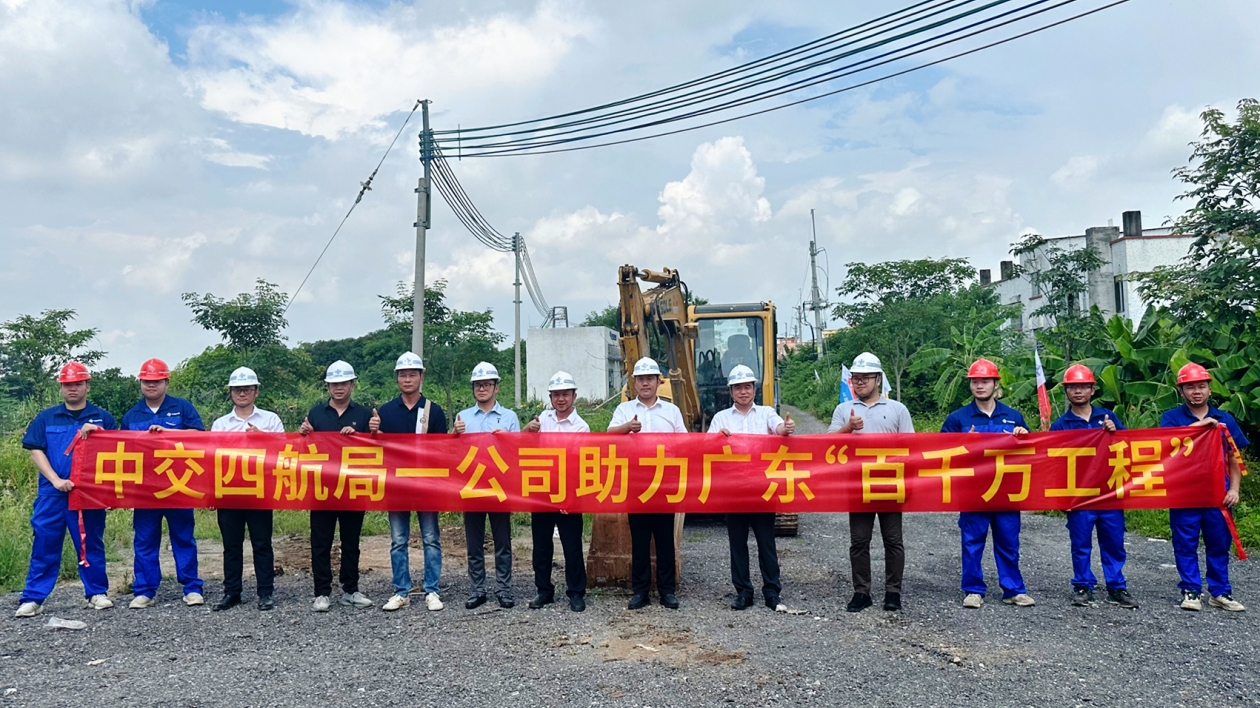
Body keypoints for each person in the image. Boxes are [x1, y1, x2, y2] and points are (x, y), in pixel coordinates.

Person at [14, 363, 116, 618]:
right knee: (45, 543)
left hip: (88, 494)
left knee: (90, 542)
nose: (73, 388)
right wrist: (56, 480)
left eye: (78, 384)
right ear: (61, 387)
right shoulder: (46, 417)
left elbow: (117, 453)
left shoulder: (103, 417)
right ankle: (34, 597)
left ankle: (96, 592)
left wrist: (108, 492)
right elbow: (36, 450)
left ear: (87, 386)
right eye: (68, 385)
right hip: (52, 494)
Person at [941, 358, 1034, 609]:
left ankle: (1013, 589)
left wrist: (1024, 437)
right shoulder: (958, 418)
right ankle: (973, 590)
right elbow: (940, 453)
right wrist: (963, 443)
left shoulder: (1013, 417)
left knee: (1008, 542)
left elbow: (1031, 453)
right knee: (972, 541)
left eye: (985, 381)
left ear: (995, 383)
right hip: (973, 492)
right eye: (975, 382)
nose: (979, 386)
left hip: (1005, 491)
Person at [828, 352, 914, 613]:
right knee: (859, 541)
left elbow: (911, 447)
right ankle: (861, 591)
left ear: (878, 379)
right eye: (856, 378)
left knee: (893, 540)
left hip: (890, 484)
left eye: (866, 377)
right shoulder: (844, 409)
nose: (860, 382)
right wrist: (848, 428)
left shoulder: (897, 409)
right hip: (858, 485)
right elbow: (827, 445)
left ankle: (893, 592)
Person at [1160, 362, 1249, 612]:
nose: (1196, 391)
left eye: (1201, 386)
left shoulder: (1224, 419)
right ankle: (1191, 590)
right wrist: (1199, 427)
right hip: (1184, 492)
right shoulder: (1172, 418)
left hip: (1217, 493)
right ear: (1182, 391)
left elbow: (1234, 457)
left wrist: (1234, 489)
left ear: (1210, 389)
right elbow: (1164, 447)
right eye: (1190, 387)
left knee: (1219, 543)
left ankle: (1220, 592)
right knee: (1185, 543)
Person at [1049, 364, 1138, 610]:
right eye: (1073, 387)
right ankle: (1082, 585)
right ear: (1066, 391)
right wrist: (1061, 499)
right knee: (1080, 543)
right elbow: (1054, 465)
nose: (1078, 391)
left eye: (1083, 386)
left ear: (1092, 389)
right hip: (1079, 497)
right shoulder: (1060, 425)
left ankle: (1116, 586)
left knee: (1113, 542)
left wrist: (1115, 432)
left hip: (1109, 493)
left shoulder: (1108, 418)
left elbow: (1129, 449)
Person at [122, 357, 205, 609]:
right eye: (146, 381)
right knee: (145, 540)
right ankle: (145, 590)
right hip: (145, 489)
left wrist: (170, 433)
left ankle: (191, 587)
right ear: (140, 383)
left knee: (183, 537)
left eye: (156, 381)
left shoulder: (182, 408)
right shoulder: (131, 415)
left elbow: (200, 437)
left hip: (179, 485)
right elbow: (121, 452)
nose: (151, 385)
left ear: (166, 381)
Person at [709, 364, 793, 611]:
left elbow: (779, 429)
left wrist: (785, 430)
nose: (743, 392)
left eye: (747, 386)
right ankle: (743, 591)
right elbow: (705, 447)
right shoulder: (721, 418)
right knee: (737, 543)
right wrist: (716, 438)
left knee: (766, 541)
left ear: (754, 388)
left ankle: (772, 591)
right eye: (738, 388)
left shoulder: (766, 413)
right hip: (733, 490)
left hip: (762, 488)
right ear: (731, 391)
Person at [609, 357, 687, 610]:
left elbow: (685, 442)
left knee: (665, 539)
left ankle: (667, 591)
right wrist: (627, 428)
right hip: (637, 482)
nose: (645, 384)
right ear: (634, 383)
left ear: (657, 381)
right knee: (639, 540)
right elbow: (608, 435)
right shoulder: (624, 410)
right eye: (640, 379)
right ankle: (640, 591)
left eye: (649, 379)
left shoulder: (671, 411)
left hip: (664, 482)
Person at [375, 352, 448, 613]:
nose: (408, 379)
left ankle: (432, 590)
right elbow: (376, 448)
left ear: (421, 377)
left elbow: (443, 450)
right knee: (398, 540)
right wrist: (373, 432)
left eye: (412, 374)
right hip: (396, 486)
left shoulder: (433, 410)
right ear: (397, 378)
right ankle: (401, 590)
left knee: (430, 538)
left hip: (426, 485)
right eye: (403, 375)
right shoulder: (385, 412)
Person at [299, 360, 374, 612]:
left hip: (353, 487)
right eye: (334, 384)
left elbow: (377, 450)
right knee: (320, 541)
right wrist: (303, 434)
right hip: (322, 488)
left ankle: (350, 589)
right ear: (328, 386)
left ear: (352, 384)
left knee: (351, 541)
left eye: (343, 383)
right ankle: (321, 592)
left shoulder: (364, 415)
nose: (339, 388)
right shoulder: (316, 413)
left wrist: (365, 435)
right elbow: (305, 449)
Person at [209, 367, 284, 612]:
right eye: (237, 390)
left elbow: (285, 449)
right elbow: (211, 459)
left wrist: (262, 436)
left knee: (262, 543)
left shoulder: (270, 420)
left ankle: (265, 592)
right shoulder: (220, 424)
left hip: (261, 490)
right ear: (230, 393)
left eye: (247, 389)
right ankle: (232, 592)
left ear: (256, 391)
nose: (242, 393)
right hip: (229, 490)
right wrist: (212, 491)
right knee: (231, 545)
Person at [452, 362, 520, 609]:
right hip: (472, 487)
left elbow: (518, 455)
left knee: (502, 542)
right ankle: (477, 589)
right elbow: (453, 454)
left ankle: (504, 589)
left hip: (499, 488)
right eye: (478, 385)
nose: (482, 389)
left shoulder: (509, 417)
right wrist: (454, 434)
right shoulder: (463, 417)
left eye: (487, 384)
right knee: (474, 543)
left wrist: (508, 439)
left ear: (496, 388)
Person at [523, 371, 590, 612]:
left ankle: (576, 592)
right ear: (550, 397)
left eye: (565, 394)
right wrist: (526, 429)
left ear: (574, 396)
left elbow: (579, 463)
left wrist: (570, 496)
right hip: (541, 489)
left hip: (569, 492)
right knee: (541, 544)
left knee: (571, 545)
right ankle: (544, 590)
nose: (561, 399)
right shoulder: (542, 419)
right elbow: (523, 447)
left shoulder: (582, 427)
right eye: (556, 395)